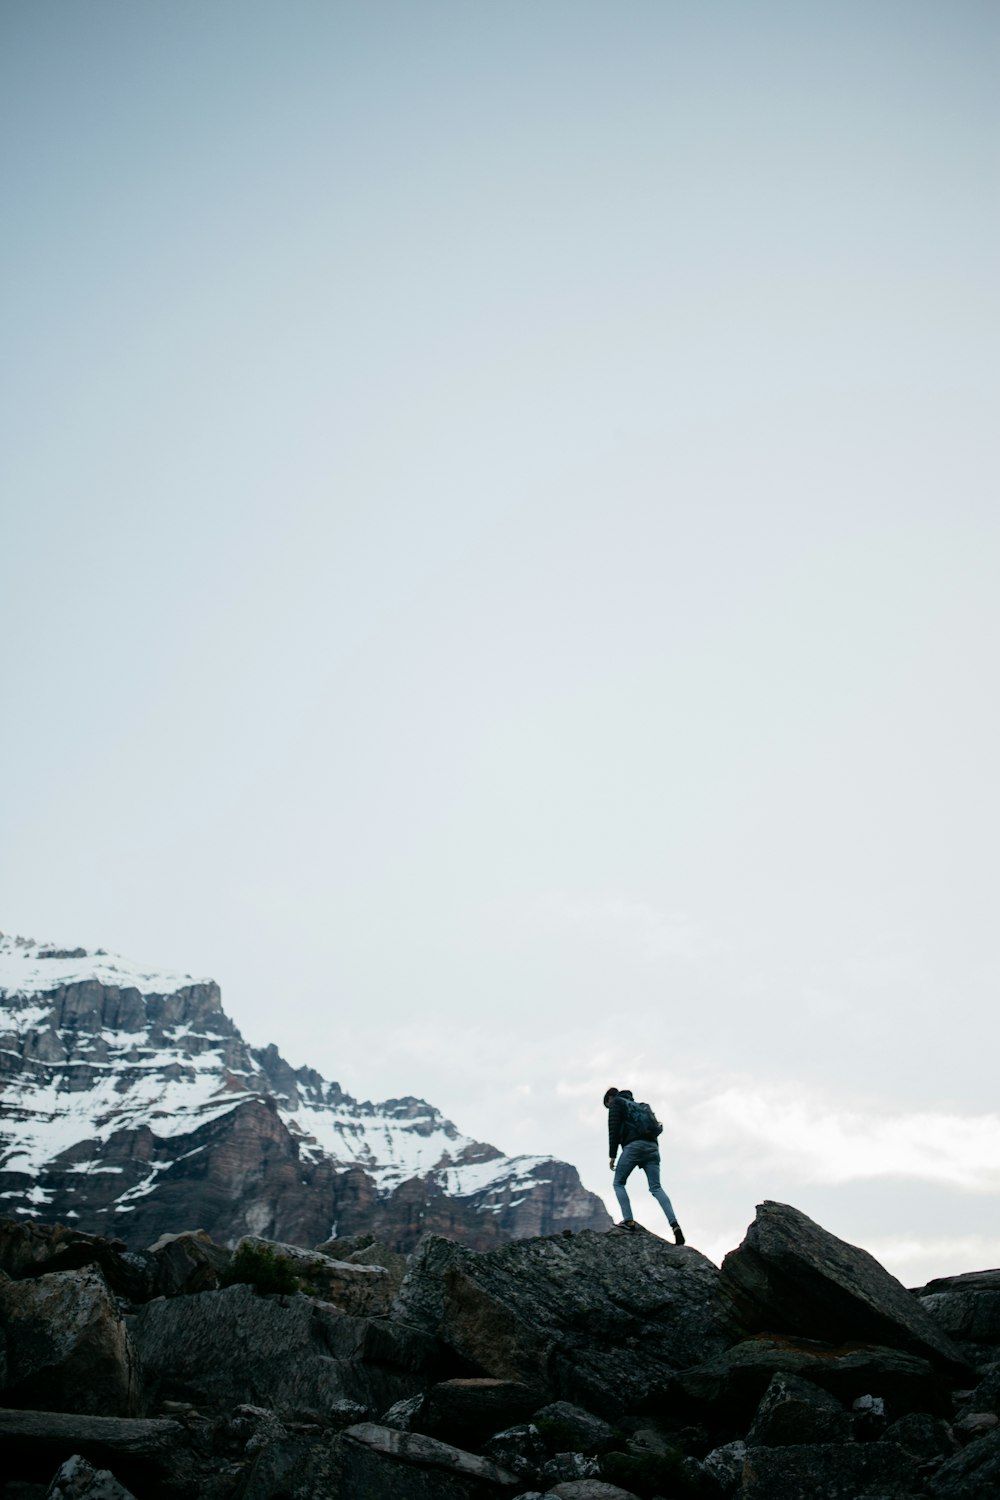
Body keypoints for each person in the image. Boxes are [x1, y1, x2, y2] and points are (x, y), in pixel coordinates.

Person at [604, 1086, 685, 1244]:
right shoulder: (640, 1106)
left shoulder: (616, 1104)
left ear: (609, 1099)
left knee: (618, 1183)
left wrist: (612, 1156)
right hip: (652, 1148)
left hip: (634, 1147)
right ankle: (674, 1224)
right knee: (656, 1187)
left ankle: (629, 1221)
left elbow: (613, 1130)